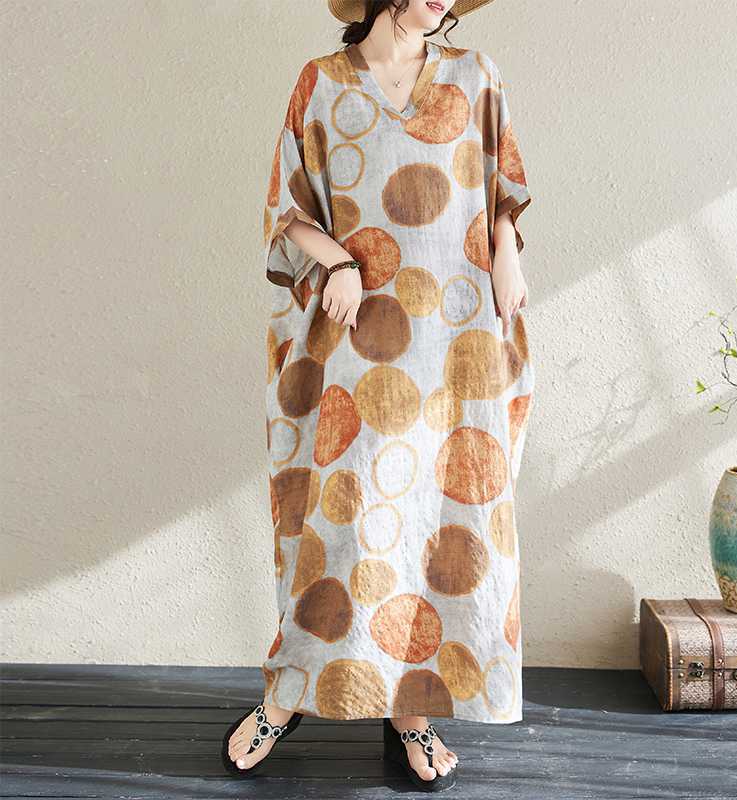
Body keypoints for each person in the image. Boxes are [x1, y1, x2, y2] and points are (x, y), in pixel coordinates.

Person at [222, 0, 535, 791]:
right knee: (341, 524)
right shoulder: (321, 83)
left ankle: (412, 711)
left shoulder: (475, 76)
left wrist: (506, 251)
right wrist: (337, 261)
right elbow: (287, 209)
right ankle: (288, 691)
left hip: (459, 336)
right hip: (357, 343)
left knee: (436, 520)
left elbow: (502, 185)